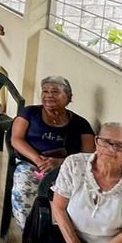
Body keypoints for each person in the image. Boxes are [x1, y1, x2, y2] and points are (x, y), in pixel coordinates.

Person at [9, 75, 95, 229]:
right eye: (45, 91)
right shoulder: (29, 113)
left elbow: (88, 156)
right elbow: (16, 139)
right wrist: (38, 160)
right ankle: (28, 233)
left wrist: (61, 163)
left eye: (55, 92)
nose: (49, 95)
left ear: (68, 97)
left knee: (83, 196)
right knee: (24, 189)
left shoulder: (81, 124)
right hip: (32, 164)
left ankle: (61, 233)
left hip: (67, 170)